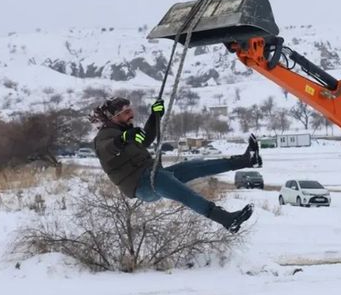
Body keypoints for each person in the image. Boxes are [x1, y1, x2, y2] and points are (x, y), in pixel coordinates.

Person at [89, 96, 261, 233]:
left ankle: (246, 160)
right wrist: (123, 139)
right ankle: (226, 219)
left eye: (130, 109)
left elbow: (146, 139)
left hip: (153, 175)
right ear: (114, 117)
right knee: (184, 194)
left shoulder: (126, 131)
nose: (131, 114)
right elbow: (107, 150)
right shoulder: (104, 137)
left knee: (194, 166)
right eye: (126, 112)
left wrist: (155, 116)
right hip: (141, 185)